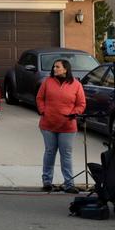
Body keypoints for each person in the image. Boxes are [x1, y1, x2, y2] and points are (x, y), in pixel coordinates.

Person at [36, 59, 85, 194]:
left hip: (68, 126)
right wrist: (43, 110)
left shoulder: (76, 84)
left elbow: (81, 104)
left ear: (65, 69)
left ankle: (69, 184)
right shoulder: (47, 82)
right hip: (48, 124)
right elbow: (39, 98)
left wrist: (74, 113)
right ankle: (47, 181)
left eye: (57, 67)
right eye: (54, 67)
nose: (54, 69)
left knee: (66, 154)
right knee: (50, 152)